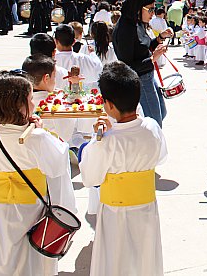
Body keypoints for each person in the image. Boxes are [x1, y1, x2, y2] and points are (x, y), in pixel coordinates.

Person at [0, 70, 74, 275]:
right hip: (30, 210)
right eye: (30, 100)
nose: (34, 105)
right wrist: (42, 132)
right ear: (16, 105)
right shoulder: (35, 138)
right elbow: (58, 163)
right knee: (29, 262)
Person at [79, 62, 167, 276]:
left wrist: (97, 138)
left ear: (108, 105)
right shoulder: (152, 127)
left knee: (115, 262)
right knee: (144, 259)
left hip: (115, 212)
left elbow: (89, 178)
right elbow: (162, 157)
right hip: (146, 207)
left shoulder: (106, 141)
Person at [112, 0, 173, 127]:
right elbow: (127, 66)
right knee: (155, 121)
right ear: (138, 7)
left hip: (148, 76)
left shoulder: (137, 23)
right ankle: (153, 147)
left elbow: (143, 47)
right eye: (150, 10)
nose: (153, 14)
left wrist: (160, 38)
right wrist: (153, 58)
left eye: (154, 9)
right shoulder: (125, 29)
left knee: (161, 113)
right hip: (140, 79)